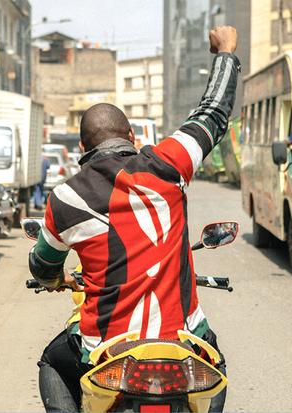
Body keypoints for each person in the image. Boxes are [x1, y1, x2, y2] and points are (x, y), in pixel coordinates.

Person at [29, 26, 239, 412]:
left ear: (82, 147)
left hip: (105, 351)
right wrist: (226, 52)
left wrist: (57, 280)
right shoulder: (169, 165)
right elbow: (213, 113)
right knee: (216, 365)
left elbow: (42, 264)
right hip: (183, 339)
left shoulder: (65, 198)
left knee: (52, 363)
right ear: (132, 136)